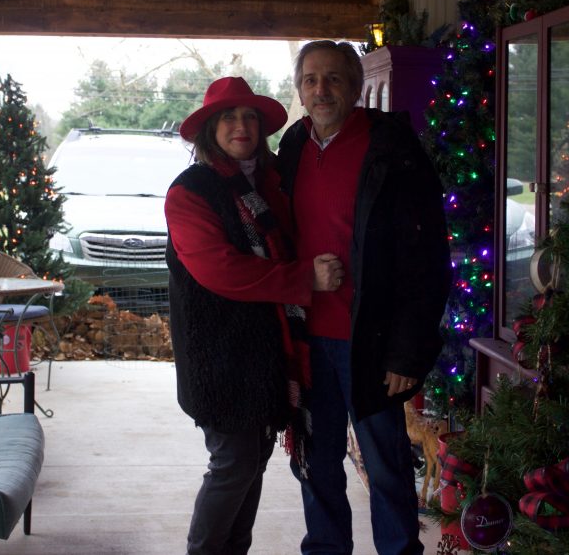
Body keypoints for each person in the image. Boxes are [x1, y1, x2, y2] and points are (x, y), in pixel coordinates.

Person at [278, 41, 452, 555]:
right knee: (315, 461)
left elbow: (427, 259)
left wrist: (408, 352)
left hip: (371, 343)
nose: (321, 89)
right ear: (300, 90)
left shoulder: (392, 147)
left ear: (356, 87)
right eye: (311, 79)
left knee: (386, 465)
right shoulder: (292, 147)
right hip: (308, 342)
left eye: (333, 78)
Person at [165, 76, 344, 555]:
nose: (240, 125)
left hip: (265, 355)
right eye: (228, 117)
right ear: (209, 130)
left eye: (249, 116)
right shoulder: (191, 191)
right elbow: (220, 271)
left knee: (252, 460)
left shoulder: (266, 183)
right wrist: (304, 279)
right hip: (218, 358)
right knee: (233, 463)